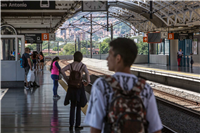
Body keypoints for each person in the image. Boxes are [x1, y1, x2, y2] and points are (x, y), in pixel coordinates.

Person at [84, 38, 162, 133]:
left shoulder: (102, 85)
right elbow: (155, 129)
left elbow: (95, 127)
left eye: (110, 54)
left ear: (118, 58)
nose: (107, 58)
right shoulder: (145, 87)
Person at [61, 51, 90, 131]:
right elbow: (87, 73)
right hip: (79, 87)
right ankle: (78, 125)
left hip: (71, 88)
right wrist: (87, 82)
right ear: (81, 57)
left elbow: (62, 70)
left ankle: (71, 124)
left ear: (74, 57)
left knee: (72, 106)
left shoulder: (71, 65)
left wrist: (67, 80)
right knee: (79, 106)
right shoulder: (83, 66)